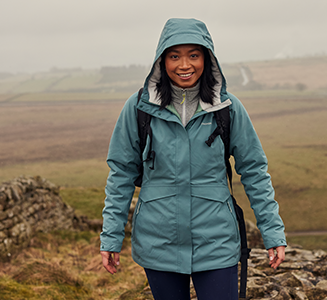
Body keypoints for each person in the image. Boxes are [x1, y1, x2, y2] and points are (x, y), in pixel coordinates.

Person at [100, 18, 286, 300]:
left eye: (193, 55)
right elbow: (121, 175)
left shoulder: (228, 109)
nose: (184, 65)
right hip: (157, 242)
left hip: (216, 243)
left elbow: (255, 172)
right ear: (161, 60)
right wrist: (111, 238)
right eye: (174, 56)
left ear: (207, 59)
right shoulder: (139, 108)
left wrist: (272, 232)